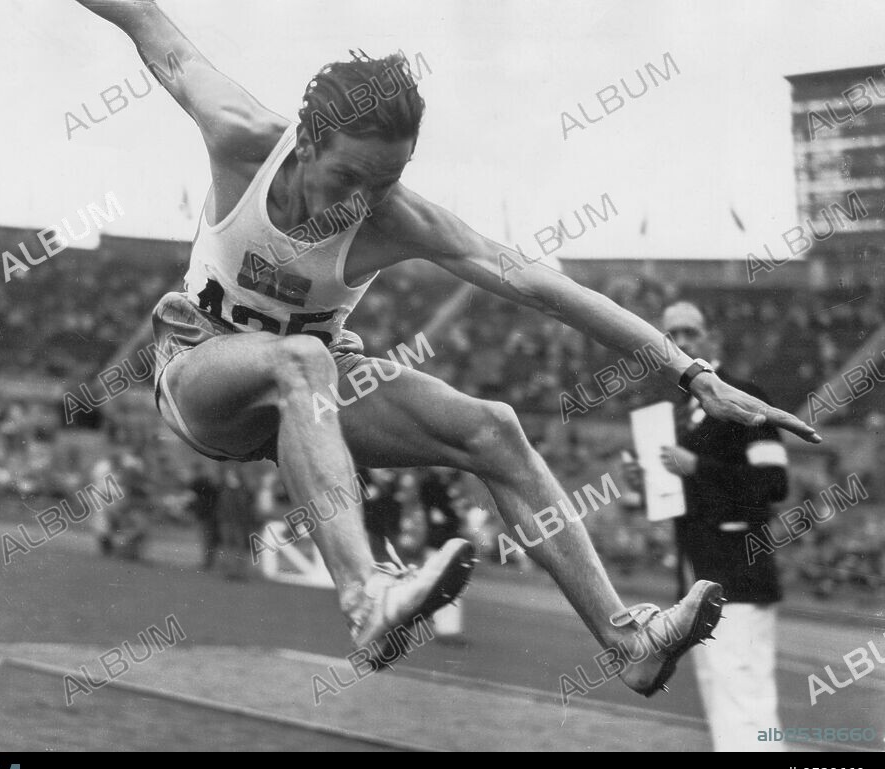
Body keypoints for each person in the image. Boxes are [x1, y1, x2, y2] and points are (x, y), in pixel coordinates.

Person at [75, 0, 821, 692]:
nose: (358, 205)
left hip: (315, 395)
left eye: (385, 182)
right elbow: (143, 17)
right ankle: (368, 597)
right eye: (346, 177)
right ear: (304, 143)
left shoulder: (399, 218)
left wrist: (692, 372)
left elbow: (541, 286)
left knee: (492, 427)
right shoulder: (237, 134)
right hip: (200, 371)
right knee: (300, 361)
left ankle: (629, 642)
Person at [624, 302, 788, 749]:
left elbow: (774, 482)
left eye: (691, 332)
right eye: (672, 335)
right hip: (699, 575)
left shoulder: (745, 393)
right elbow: (676, 502)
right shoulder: (673, 415)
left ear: (710, 337)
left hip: (740, 570)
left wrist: (698, 466)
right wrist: (645, 484)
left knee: (742, 689)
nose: (683, 341)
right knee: (719, 691)